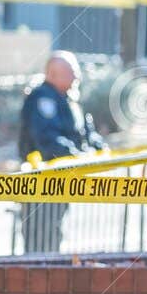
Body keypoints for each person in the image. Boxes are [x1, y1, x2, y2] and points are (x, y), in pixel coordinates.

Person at [16, 51, 104, 252]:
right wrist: (78, 156)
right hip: (40, 183)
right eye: (71, 72)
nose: (77, 77)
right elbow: (47, 140)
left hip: (59, 181)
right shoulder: (42, 99)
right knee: (40, 238)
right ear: (53, 74)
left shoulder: (68, 100)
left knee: (52, 234)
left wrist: (99, 150)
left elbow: (85, 134)